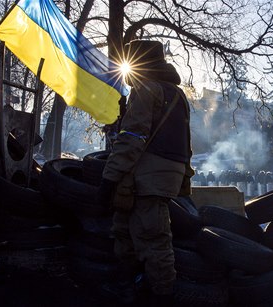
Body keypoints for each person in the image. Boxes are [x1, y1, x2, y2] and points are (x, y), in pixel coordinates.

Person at [96, 40, 193, 306]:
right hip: (162, 175)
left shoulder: (146, 89)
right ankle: (129, 289)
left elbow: (132, 138)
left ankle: (160, 297)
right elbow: (183, 140)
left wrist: (109, 178)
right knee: (125, 229)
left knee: (152, 239)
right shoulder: (176, 94)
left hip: (147, 176)